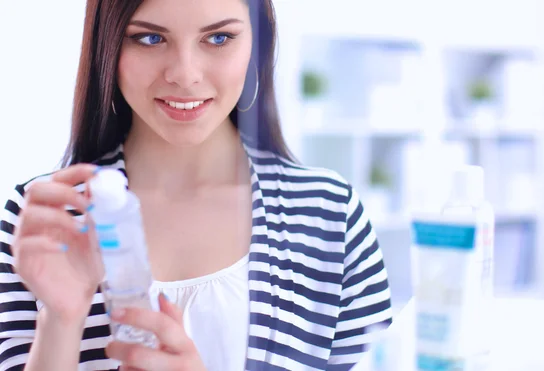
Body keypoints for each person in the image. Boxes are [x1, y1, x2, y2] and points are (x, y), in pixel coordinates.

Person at [0, 0, 393, 370]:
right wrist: (61, 322)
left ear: (258, 42)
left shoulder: (330, 215)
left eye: (219, 38)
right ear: (109, 45)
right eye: (150, 38)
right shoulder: (43, 218)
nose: (185, 74)